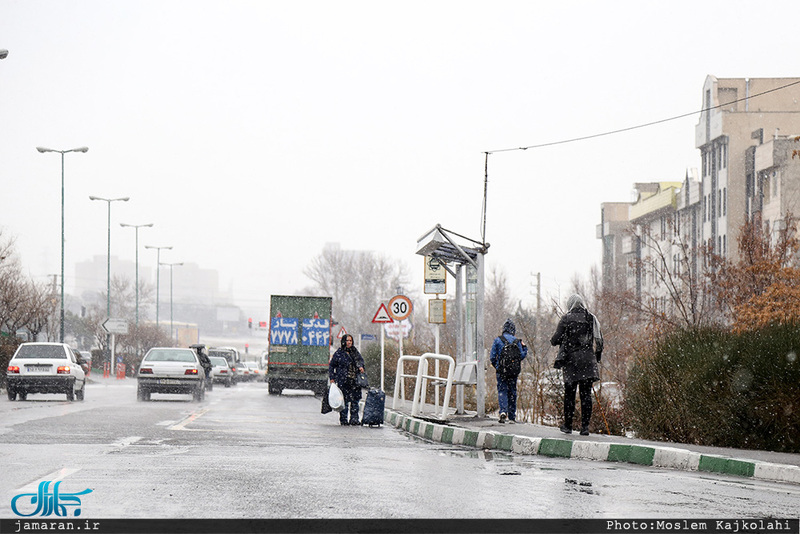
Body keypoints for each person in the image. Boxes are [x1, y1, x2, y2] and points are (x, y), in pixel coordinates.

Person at [550, 294, 604, 436]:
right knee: (586, 395)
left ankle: (568, 425)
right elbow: (599, 340)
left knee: (570, 394)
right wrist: (596, 357)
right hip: (588, 361)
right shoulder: (591, 318)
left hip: (571, 362)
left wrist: (562, 338)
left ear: (570, 305)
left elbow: (554, 340)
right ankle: (584, 427)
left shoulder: (566, 319)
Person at [490, 318, 527, 424]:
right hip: (513, 372)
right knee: (512, 392)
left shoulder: (498, 340)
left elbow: (492, 357)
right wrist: (525, 348)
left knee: (502, 390)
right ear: (513, 330)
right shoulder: (517, 341)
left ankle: (503, 411)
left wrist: (498, 367)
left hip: (501, 371)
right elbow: (521, 356)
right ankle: (512, 416)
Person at [329, 334, 365, 426]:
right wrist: (332, 378)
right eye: (347, 340)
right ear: (344, 341)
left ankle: (354, 419)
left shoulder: (355, 352)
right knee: (344, 401)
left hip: (355, 381)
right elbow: (332, 365)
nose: (349, 342)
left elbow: (360, 361)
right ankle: (344, 419)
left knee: (355, 401)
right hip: (343, 381)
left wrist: (360, 367)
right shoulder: (339, 353)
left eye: (350, 341)